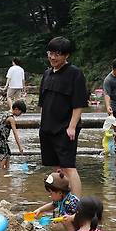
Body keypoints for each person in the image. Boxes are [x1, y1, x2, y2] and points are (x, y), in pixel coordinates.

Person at [39, 37, 87, 196]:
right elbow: (43, 103)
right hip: (48, 127)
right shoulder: (47, 74)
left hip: (66, 128)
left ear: (66, 55)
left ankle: (76, 204)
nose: (53, 57)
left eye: (57, 54)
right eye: (50, 53)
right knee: (57, 167)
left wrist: (72, 126)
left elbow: (79, 103)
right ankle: (62, 201)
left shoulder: (75, 74)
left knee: (69, 167)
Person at [0, 100, 26, 169]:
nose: (20, 114)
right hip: (1, 139)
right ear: (16, 109)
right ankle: (1, 174)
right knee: (3, 157)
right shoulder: (11, 118)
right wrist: (20, 147)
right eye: (20, 112)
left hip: (1, 139)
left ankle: (7, 171)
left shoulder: (6, 113)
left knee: (8, 155)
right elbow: (15, 133)